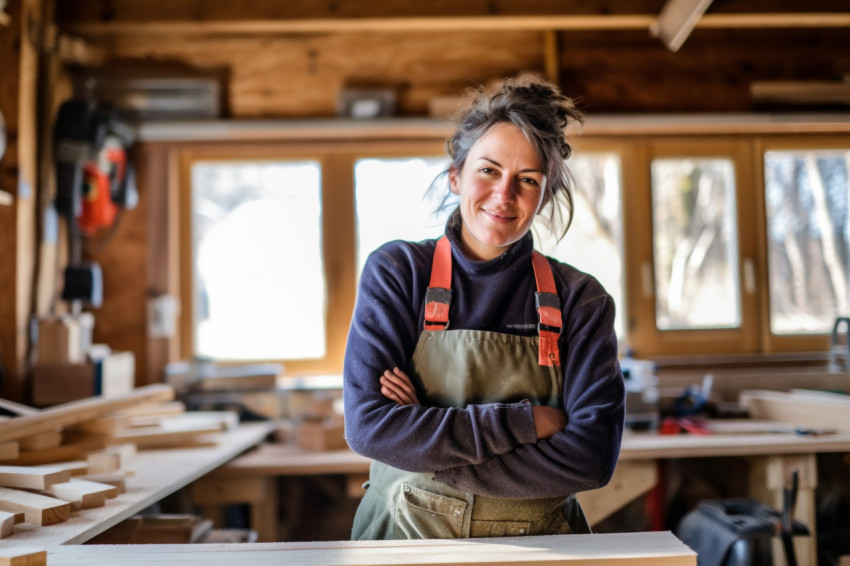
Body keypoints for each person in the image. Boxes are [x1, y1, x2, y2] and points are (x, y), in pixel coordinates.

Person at [342, 74, 625, 541]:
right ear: (456, 176)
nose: (504, 195)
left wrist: (429, 452)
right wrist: (527, 421)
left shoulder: (580, 299)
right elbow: (371, 428)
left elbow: (590, 459)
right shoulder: (398, 273)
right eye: (488, 170)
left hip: (538, 547)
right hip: (403, 542)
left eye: (528, 180)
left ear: (545, 195)